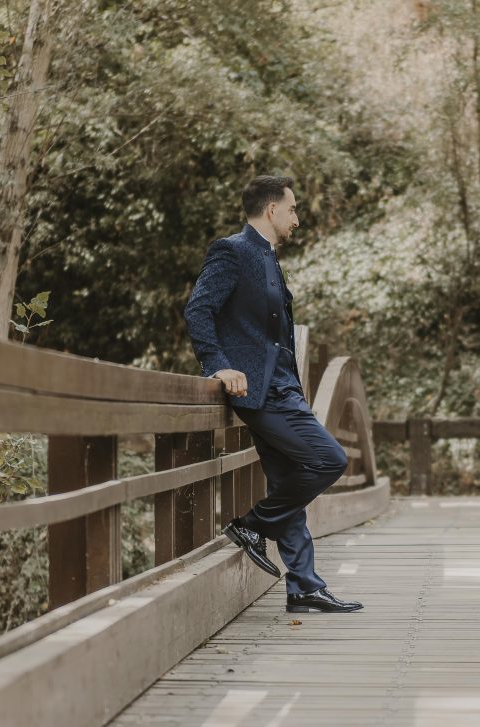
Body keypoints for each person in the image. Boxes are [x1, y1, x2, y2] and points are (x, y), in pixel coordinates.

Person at [184, 175, 362, 614]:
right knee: (329, 460)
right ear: (271, 210)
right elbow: (199, 308)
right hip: (264, 393)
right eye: (293, 209)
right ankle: (249, 526)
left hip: (282, 387)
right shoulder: (234, 251)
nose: (296, 219)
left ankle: (303, 586)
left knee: (288, 481)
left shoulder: (268, 259)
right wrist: (218, 365)